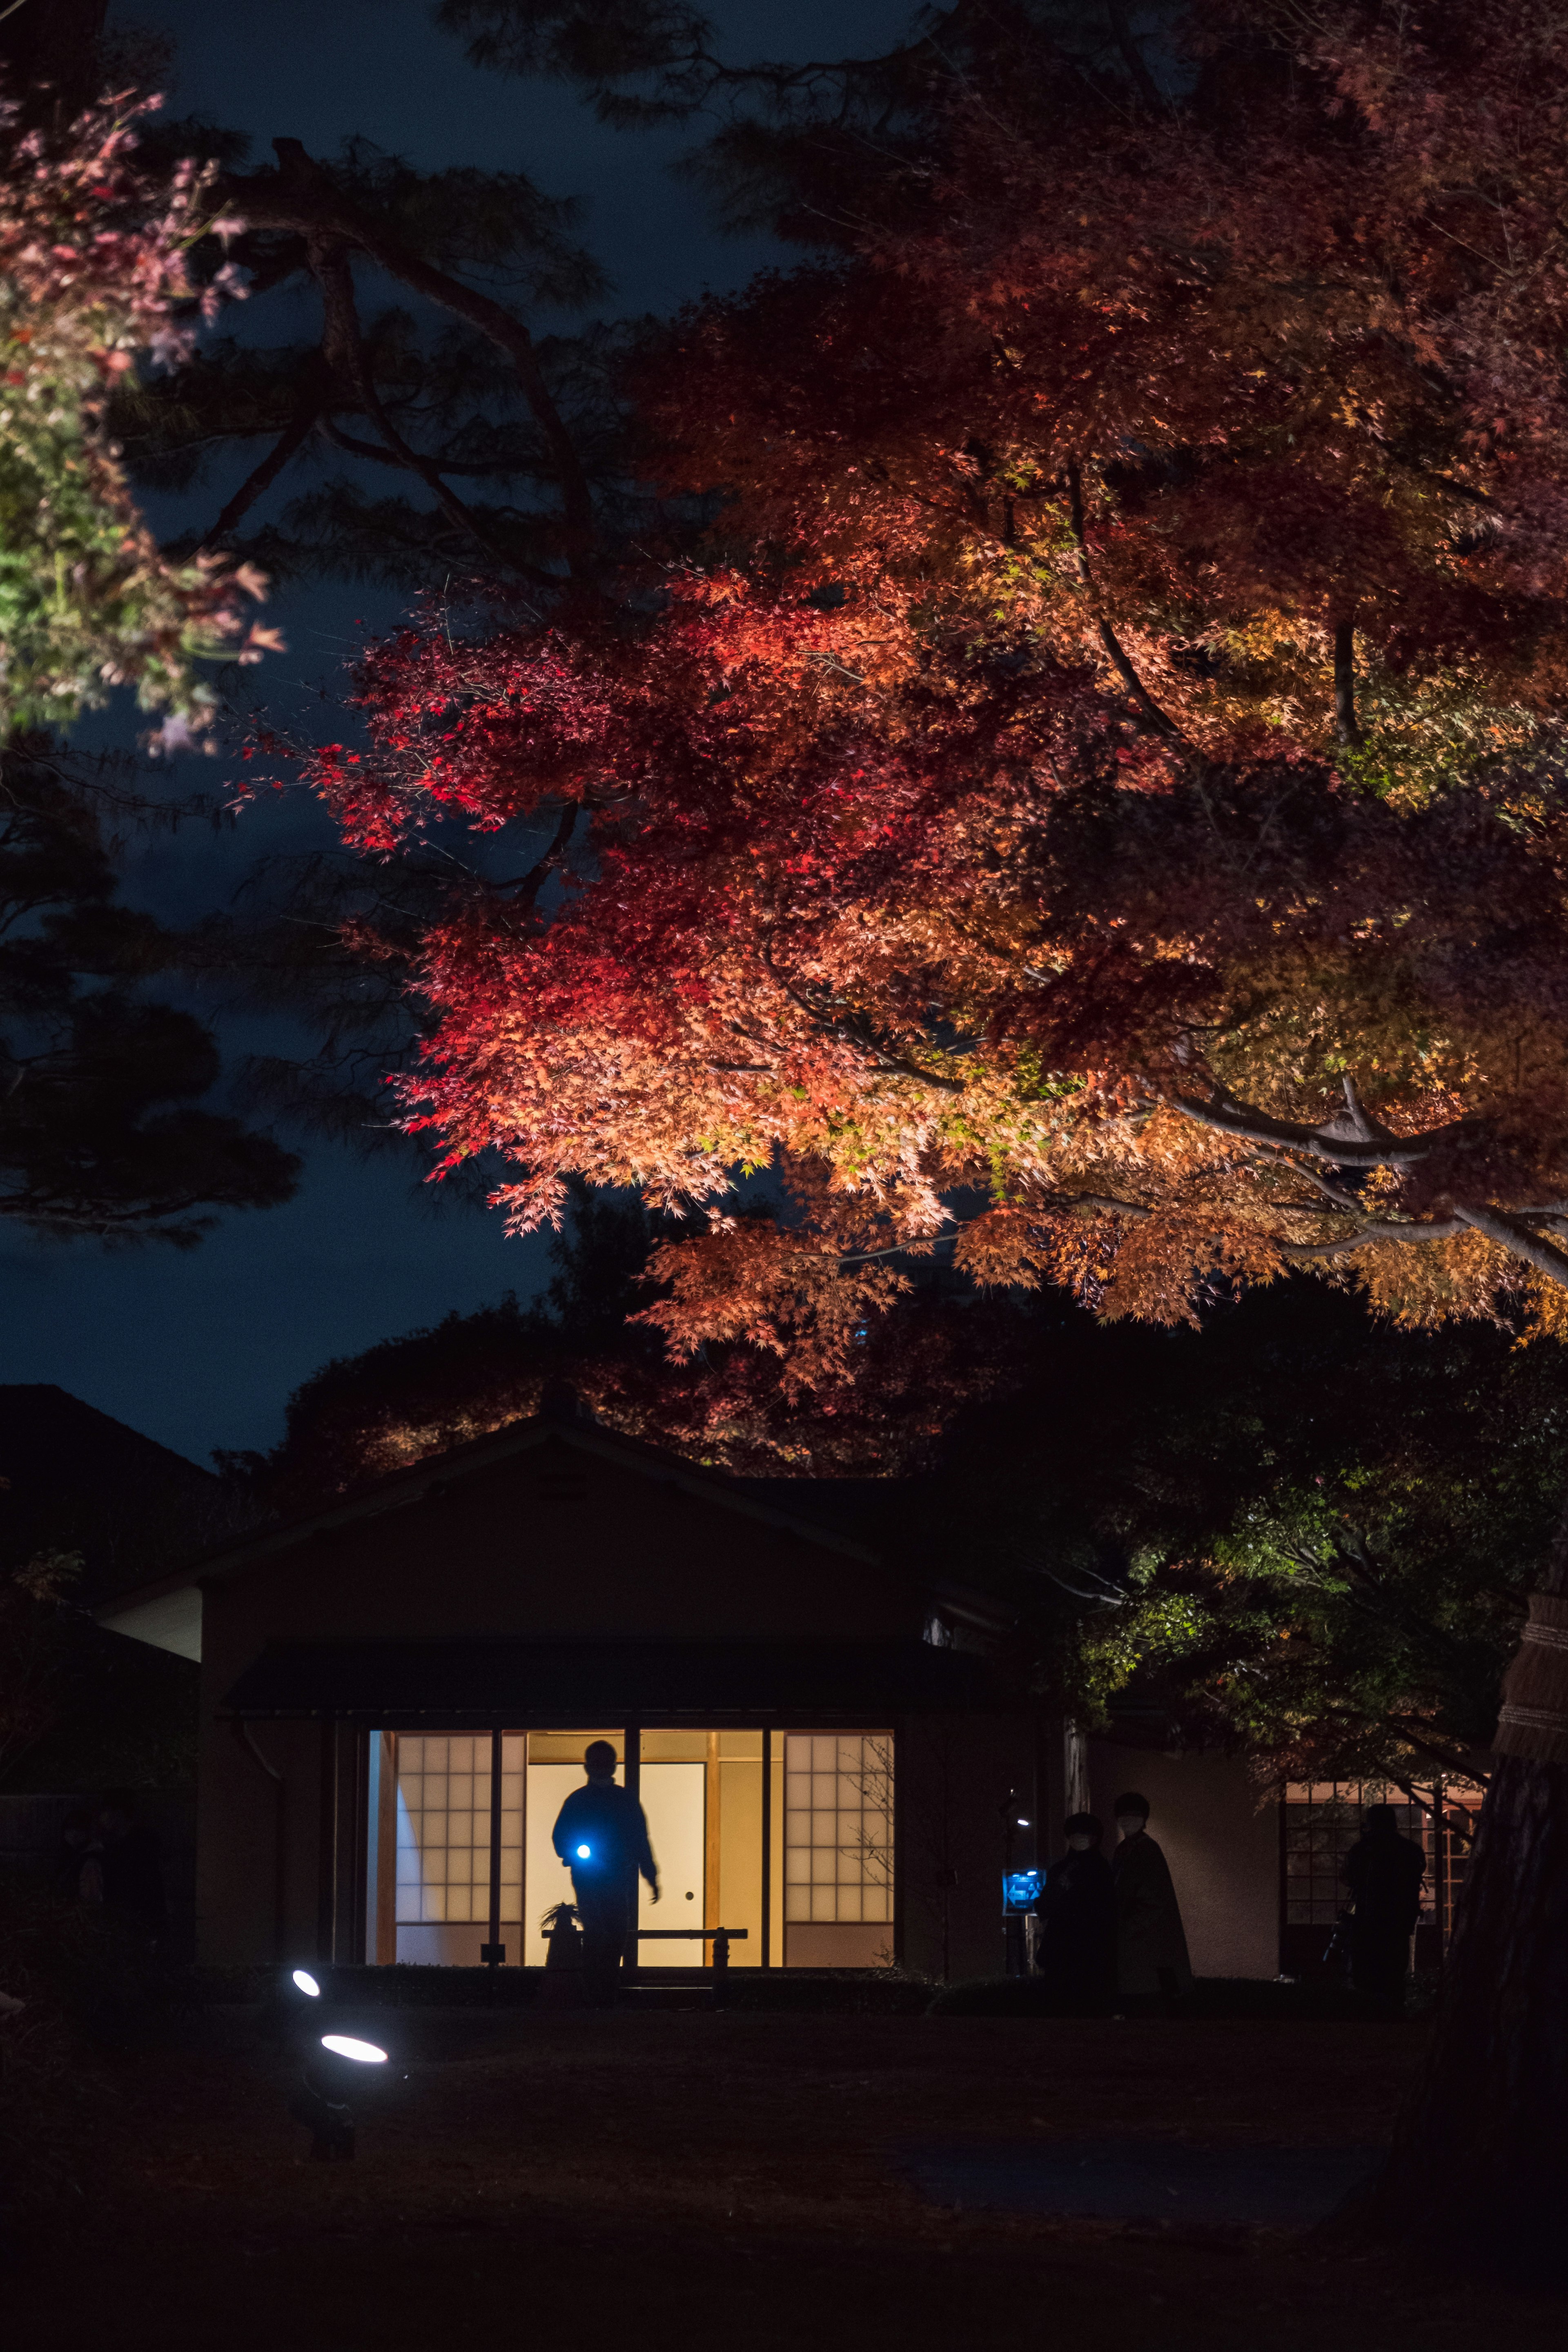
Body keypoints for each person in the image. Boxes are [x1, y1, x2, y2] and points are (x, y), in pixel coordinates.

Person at [550, 1743, 659, 2003]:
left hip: (614, 1877)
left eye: (603, 1763)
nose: (600, 1768)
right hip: (594, 1877)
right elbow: (560, 1838)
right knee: (600, 1932)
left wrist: (651, 1875)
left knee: (615, 1933)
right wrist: (574, 1853)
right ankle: (595, 1993)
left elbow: (640, 1840)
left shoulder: (614, 1800)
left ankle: (604, 1992)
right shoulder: (599, 1800)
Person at [1341, 1802, 1426, 2012]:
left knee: (1366, 1977)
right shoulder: (1410, 1850)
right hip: (1399, 1923)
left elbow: (1348, 1877)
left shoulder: (1363, 1850)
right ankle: (1394, 2016)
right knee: (1395, 1976)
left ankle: (1368, 2019)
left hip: (1367, 1920)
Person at [1111, 1791, 1193, 2007]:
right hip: (1135, 1941)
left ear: (1143, 1820)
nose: (1127, 1821)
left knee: (1143, 2001)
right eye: (1123, 1816)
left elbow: (1154, 1900)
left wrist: (1127, 1927)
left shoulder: (1145, 1850)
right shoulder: (1126, 1850)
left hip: (1143, 1945)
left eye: (1133, 1816)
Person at [1033, 1813, 1116, 2007]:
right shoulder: (1064, 1869)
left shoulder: (1100, 1871)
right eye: (1074, 1833)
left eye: (1084, 1833)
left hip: (1087, 1955)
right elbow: (1045, 1904)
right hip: (1067, 1954)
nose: (1078, 1838)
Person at [96, 1791, 166, 1944]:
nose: (101, 1819)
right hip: (136, 1921)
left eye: (104, 1813)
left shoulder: (134, 1848)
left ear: (118, 1814)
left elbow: (138, 1888)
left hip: (135, 1921)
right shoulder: (135, 1845)